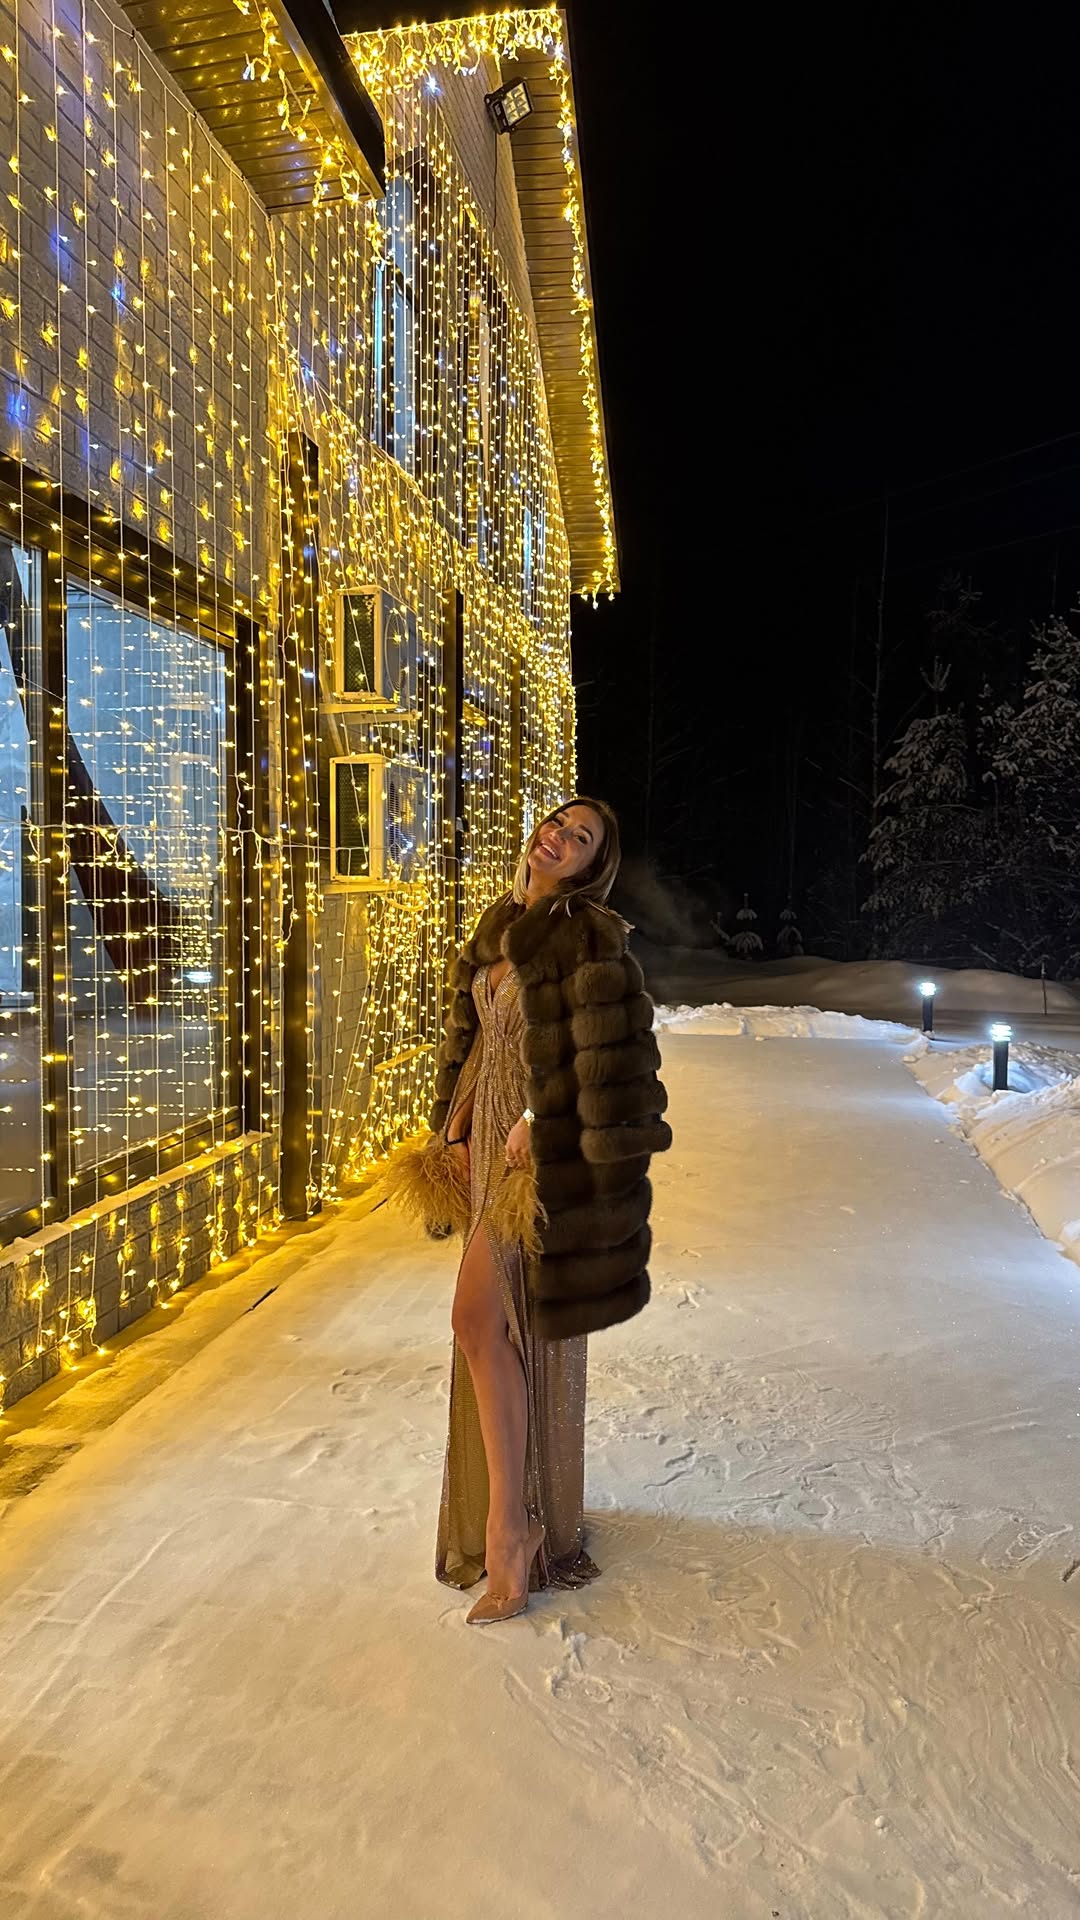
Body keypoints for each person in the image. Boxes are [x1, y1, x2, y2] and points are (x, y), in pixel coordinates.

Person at [386, 797, 671, 1625]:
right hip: (486, 1150)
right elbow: (477, 1042)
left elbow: (618, 1067)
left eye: (581, 839)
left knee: (478, 1321)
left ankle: (511, 1529)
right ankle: (514, 1516)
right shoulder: (503, 921)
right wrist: (455, 1128)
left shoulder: (590, 938)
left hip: (539, 1163)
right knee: (493, 1330)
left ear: (592, 866)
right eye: (558, 823)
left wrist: (539, 1117)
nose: (559, 838)